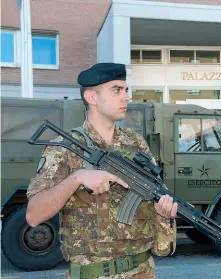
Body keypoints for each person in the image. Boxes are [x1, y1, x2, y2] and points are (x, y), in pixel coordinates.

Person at [25, 62, 178, 279]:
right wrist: (76, 178)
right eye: (116, 90)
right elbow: (33, 215)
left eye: (126, 90)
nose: (126, 97)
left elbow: (156, 192)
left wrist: (163, 212)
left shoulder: (135, 144)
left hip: (142, 271)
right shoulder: (64, 147)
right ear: (91, 97)